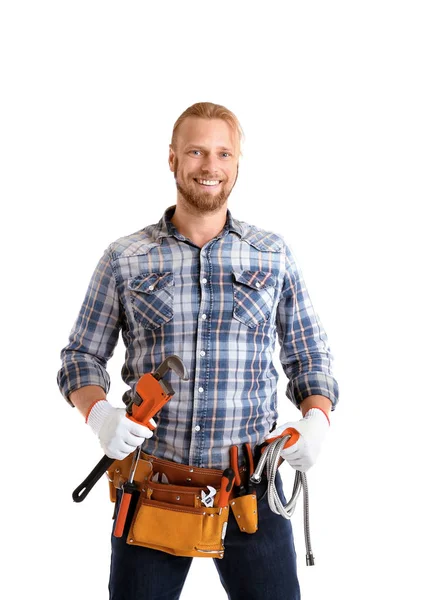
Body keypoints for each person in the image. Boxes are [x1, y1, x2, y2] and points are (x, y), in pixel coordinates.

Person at [57, 101, 339, 600]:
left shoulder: (271, 255)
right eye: (196, 151)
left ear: (236, 164)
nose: (210, 166)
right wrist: (100, 415)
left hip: (253, 491)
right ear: (172, 160)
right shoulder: (126, 257)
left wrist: (316, 419)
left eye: (223, 153)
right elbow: (80, 356)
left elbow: (309, 357)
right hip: (152, 489)